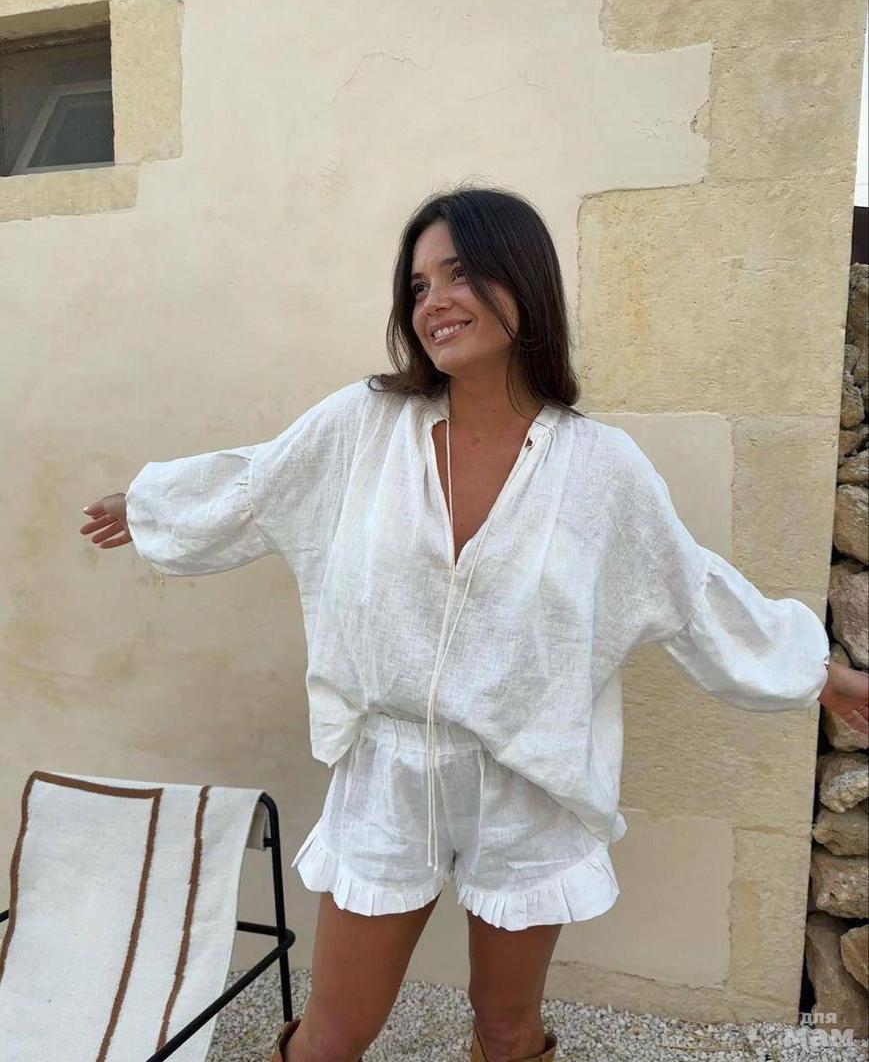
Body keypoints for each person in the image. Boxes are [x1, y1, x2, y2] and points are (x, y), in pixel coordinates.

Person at [80, 186, 869, 1062]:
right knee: (331, 1033)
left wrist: (819, 675)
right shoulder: (364, 425)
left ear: (521, 278)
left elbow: (689, 588)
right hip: (387, 773)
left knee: (505, 1027)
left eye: (458, 274)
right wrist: (150, 504)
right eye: (418, 286)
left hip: (527, 781)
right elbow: (260, 480)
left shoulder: (601, 468)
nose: (433, 302)